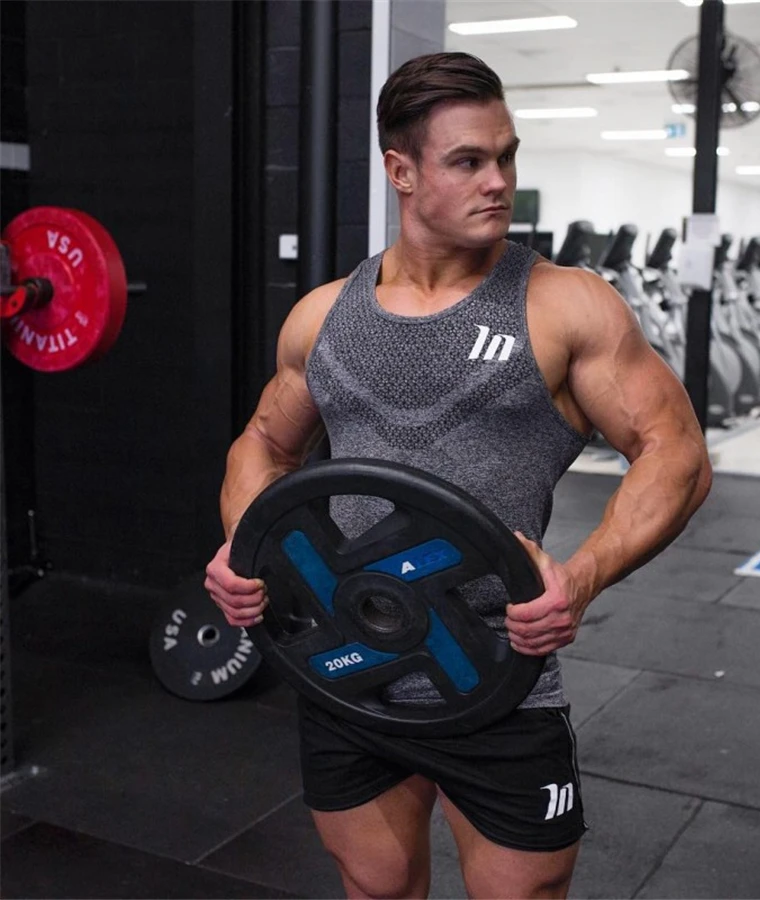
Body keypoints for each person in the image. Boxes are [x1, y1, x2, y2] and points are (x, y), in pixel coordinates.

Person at [205, 51, 712, 900]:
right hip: (346, 662)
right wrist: (247, 548)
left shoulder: (563, 305)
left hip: (498, 675)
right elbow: (262, 443)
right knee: (375, 884)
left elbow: (678, 453)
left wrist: (582, 576)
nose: (499, 181)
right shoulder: (323, 317)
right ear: (401, 171)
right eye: (469, 161)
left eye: (506, 156)